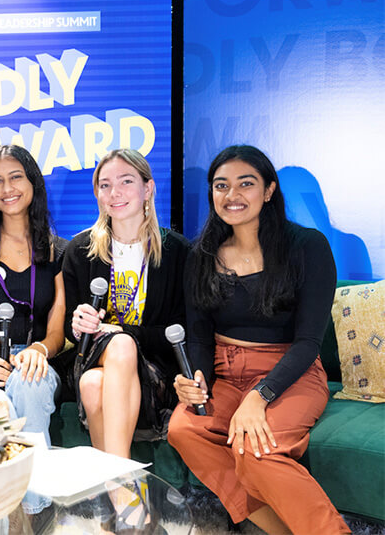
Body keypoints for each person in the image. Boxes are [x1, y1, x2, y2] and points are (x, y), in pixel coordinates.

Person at [167, 145, 350, 534]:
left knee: (254, 450)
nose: (232, 195)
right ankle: (275, 528)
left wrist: (259, 396)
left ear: (268, 190)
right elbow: (198, 336)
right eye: (221, 186)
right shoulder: (201, 255)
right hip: (225, 371)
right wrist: (195, 381)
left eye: (245, 184)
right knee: (183, 429)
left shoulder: (308, 246)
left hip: (290, 372)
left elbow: (307, 343)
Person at [63, 148, 189, 459]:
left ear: (148, 189)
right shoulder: (80, 250)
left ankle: (117, 491)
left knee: (95, 383)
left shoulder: (176, 251)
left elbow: (181, 330)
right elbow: (69, 327)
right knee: (110, 356)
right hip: (96, 357)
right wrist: (78, 324)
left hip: (155, 369)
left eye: (126, 181)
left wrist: (120, 330)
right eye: (104, 185)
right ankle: (124, 484)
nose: (114, 193)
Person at [0, 144, 65, 447]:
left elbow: (57, 333)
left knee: (30, 384)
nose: (7, 188)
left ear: (33, 183)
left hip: (33, 360)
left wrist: (39, 351)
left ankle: (34, 493)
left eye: (16, 177)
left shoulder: (56, 249)